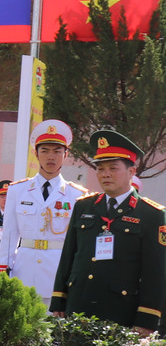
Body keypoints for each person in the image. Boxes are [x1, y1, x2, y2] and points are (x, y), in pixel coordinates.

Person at [51, 130, 166, 335]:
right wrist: (59, 299)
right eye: (101, 168)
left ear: (132, 172)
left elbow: (155, 274)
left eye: (113, 168)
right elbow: (68, 255)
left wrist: (147, 320)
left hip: (121, 312)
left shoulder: (152, 214)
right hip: (79, 306)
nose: (105, 174)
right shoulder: (83, 207)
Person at [0, 120, 87, 303]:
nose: (51, 157)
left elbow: (79, 243)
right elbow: (9, 234)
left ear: (66, 154)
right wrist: (4, 270)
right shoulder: (17, 190)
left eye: (57, 151)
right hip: (24, 270)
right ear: (35, 153)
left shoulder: (77, 194)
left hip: (57, 271)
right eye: (45, 150)